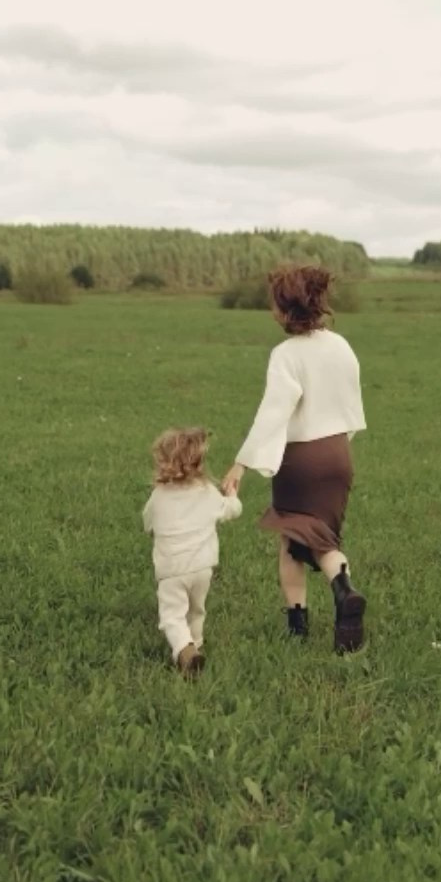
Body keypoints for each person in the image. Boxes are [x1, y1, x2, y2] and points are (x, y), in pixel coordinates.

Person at [223, 265, 367, 652]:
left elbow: (274, 411)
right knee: (324, 538)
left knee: (291, 542)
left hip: (300, 459)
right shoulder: (341, 346)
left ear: (284, 310)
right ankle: (343, 588)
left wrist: (242, 462)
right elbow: (350, 396)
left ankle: (297, 628)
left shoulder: (285, 355)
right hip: (338, 454)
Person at [144, 426, 242, 677]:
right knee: (196, 609)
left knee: (172, 615)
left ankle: (184, 650)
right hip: (202, 568)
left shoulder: (159, 496)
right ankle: (196, 644)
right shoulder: (207, 492)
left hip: (172, 570)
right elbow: (232, 510)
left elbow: (148, 523)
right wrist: (232, 495)